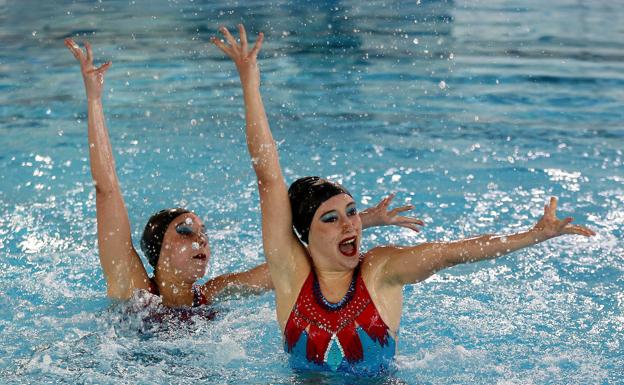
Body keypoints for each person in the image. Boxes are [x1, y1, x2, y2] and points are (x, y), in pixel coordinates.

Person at [212, 24, 596, 375]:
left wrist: (531, 235)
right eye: (331, 219)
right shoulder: (291, 274)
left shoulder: (380, 271)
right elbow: (269, 178)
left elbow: (449, 253)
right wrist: (250, 84)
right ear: (304, 235)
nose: (350, 224)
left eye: (351, 212)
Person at [63, 38, 424, 309]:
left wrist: (359, 222)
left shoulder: (211, 294)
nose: (201, 240)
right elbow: (106, 190)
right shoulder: (135, 290)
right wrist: (94, 99)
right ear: (157, 247)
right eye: (186, 231)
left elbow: (292, 260)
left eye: (203, 233)